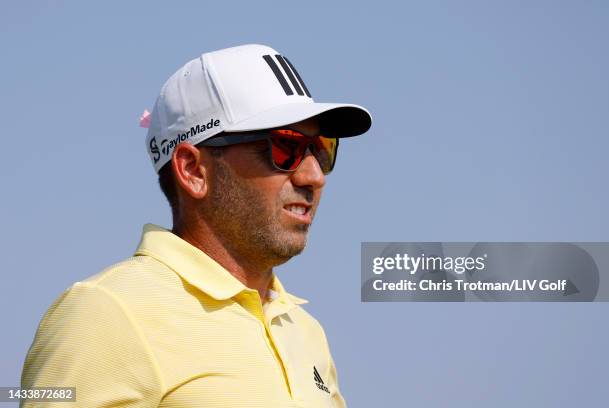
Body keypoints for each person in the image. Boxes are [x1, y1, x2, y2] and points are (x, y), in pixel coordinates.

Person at [20, 44, 371, 407]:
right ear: (192, 170)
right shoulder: (106, 313)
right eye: (286, 147)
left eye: (322, 148)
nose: (314, 175)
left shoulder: (305, 331)